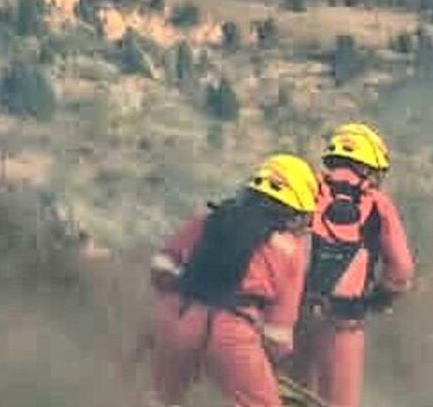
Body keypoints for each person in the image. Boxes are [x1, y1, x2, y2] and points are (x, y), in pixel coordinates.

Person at [147, 153, 319, 407]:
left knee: (162, 401)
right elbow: (277, 335)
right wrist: (266, 361)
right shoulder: (290, 249)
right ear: (296, 211)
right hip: (231, 333)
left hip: (177, 315)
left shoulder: (210, 218)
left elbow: (160, 269)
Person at [288, 122, 415, 407]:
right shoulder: (378, 205)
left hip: (291, 314)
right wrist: (382, 298)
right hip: (342, 322)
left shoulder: (305, 188)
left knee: (287, 394)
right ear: (369, 168)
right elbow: (402, 268)